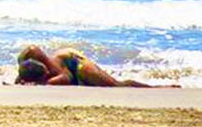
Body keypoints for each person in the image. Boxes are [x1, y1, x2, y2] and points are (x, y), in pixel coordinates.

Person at [14, 45, 176, 88]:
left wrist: (46, 83)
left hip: (75, 62)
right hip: (64, 60)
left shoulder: (46, 64)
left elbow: (67, 77)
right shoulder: (26, 66)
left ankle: (156, 87)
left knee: (115, 85)